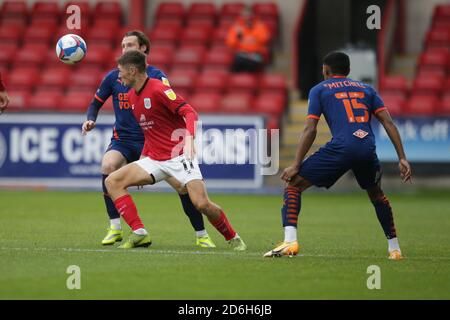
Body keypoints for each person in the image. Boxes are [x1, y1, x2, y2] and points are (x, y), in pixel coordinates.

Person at [264, 51, 412, 260]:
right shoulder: (367, 89)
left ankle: (290, 241)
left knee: (294, 184)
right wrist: (402, 157)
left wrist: (296, 164)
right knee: (376, 194)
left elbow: (310, 130)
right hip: (367, 147)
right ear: (349, 71)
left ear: (325, 71)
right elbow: (388, 123)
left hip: (342, 147)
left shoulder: (319, 90)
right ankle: (394, 249)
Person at [81, 30, 215, 248]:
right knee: (108, 165)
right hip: (123, 140)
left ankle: (201, 234)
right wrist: (90, 119)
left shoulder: (157, 77)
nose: (125, 49)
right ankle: (115, 227)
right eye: (123, 46)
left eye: (130, 45)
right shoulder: (114, 76)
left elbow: (172, 107)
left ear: (143, 48)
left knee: (181, 186)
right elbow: (95, 103)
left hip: (152, 140)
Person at [104, 50, 247, 251]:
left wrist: (189, 139)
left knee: (202, 204)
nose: (118, 77)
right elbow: (150, 131)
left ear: (133, 70)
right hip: (154, 160)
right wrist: (143, 158)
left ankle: (232, 237)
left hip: (178, 156)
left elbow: (190, 112)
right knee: (112, 181)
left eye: (121, 72)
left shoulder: (158, 89)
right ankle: (139, 232)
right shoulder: (131, 98)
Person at [226, 6, 270, 73]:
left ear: (252, 15)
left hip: (256, 54)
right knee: (237, 63)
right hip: (241, 54)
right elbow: (230, 43)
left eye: (249, 15)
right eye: (245, 15)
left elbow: (265, 39)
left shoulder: (260, 26)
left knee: (252, 64)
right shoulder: (236, 27)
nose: (247, 17)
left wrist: (252, 31)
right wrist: (238, 37)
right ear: (241, 16)